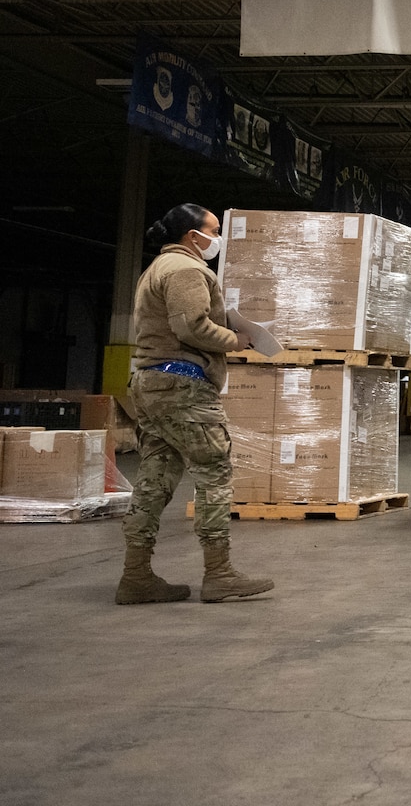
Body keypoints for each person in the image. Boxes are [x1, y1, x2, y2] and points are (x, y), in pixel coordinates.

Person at [116, 203, 274, 605]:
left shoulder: (157, 268)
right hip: (182, 386)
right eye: (214, 230)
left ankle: (136, 575)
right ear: (193, 235)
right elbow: (191, 325)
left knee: (155, 476)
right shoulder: (186, 270)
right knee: (214, 469)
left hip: (152, 385)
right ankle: (218, 573)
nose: (217, 239)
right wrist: (236, 340)